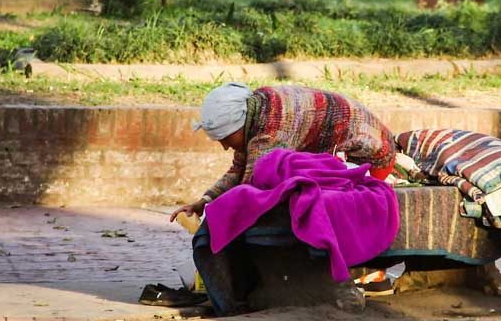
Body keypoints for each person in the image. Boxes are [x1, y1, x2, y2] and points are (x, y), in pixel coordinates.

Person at [170, 83, 397, 220]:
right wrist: (204, 201)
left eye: (226, 139)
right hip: (361, 147)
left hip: (372, 159)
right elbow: (239, 168)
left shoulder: (271, 130)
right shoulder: (255, 108)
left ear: (238, 125)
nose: (225, 146)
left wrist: (214, 217)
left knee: (289, 200)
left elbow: (251, 188)